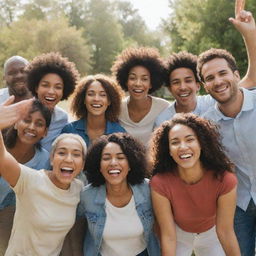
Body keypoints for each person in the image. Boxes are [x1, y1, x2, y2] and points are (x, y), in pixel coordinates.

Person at [0, 97, 87, 255]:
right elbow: (3, 159)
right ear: (52, 159)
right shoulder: (30, 180)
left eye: (76, 154)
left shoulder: (78, 188)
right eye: (62, 153)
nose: (68, 159)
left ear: (82, 164)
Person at [197, 30, 256, 255]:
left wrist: (249, 32)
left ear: (236, 74)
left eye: (223, 73)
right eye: (210, 78)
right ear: (204, 86)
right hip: (237, 205)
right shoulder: (206, 126)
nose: (218, 81)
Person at [150, 113, 240, 256]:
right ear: (169, 150)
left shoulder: (225, 179)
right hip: (178, 233)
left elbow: (225, 231)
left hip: (211, 234)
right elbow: (168, 236)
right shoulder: (159, 183)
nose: (183, 147)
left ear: (201, 144)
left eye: (190, 139)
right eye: (175, 142)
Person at [155, 10, 256, 126]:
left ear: (199, 85)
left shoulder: (214, 98)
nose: (183, 87)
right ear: (170, 88)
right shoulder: (163, 120)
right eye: (176, 82)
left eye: (188, 80)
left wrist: (249, 34)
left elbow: (252, 79)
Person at [78, 133, 160, 256]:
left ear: (130, 164)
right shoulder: (87, 196)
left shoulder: (148, 190)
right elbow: (76, 229)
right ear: (99, 166)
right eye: (106, 158)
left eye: (120, 157)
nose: (113, 163)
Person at [0, 99, 51, 254]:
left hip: (13, 220)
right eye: (26, 120)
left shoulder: (44, 160)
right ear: (15, 123)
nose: (31, 127)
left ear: (45, 132)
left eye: (39, 124)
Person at [111, 47, 170, 146]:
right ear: (126, 81)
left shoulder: (164, 107)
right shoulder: (117, 109)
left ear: (151, 83)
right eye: (132, 78)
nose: (138, 83)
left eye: (144, 79)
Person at [25, 52, 80, 151]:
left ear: (64, 91)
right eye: (45, 85)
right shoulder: (21, 111)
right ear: (36, 87)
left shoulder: (62, 118)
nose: (51, 92)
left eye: (58, 87)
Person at [61, 74, 126, 146]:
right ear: (84, 100)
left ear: (109, 101)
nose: (96, 99)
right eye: (91, 94)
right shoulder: (69, 130)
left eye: (103, 95)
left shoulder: (119, 133)